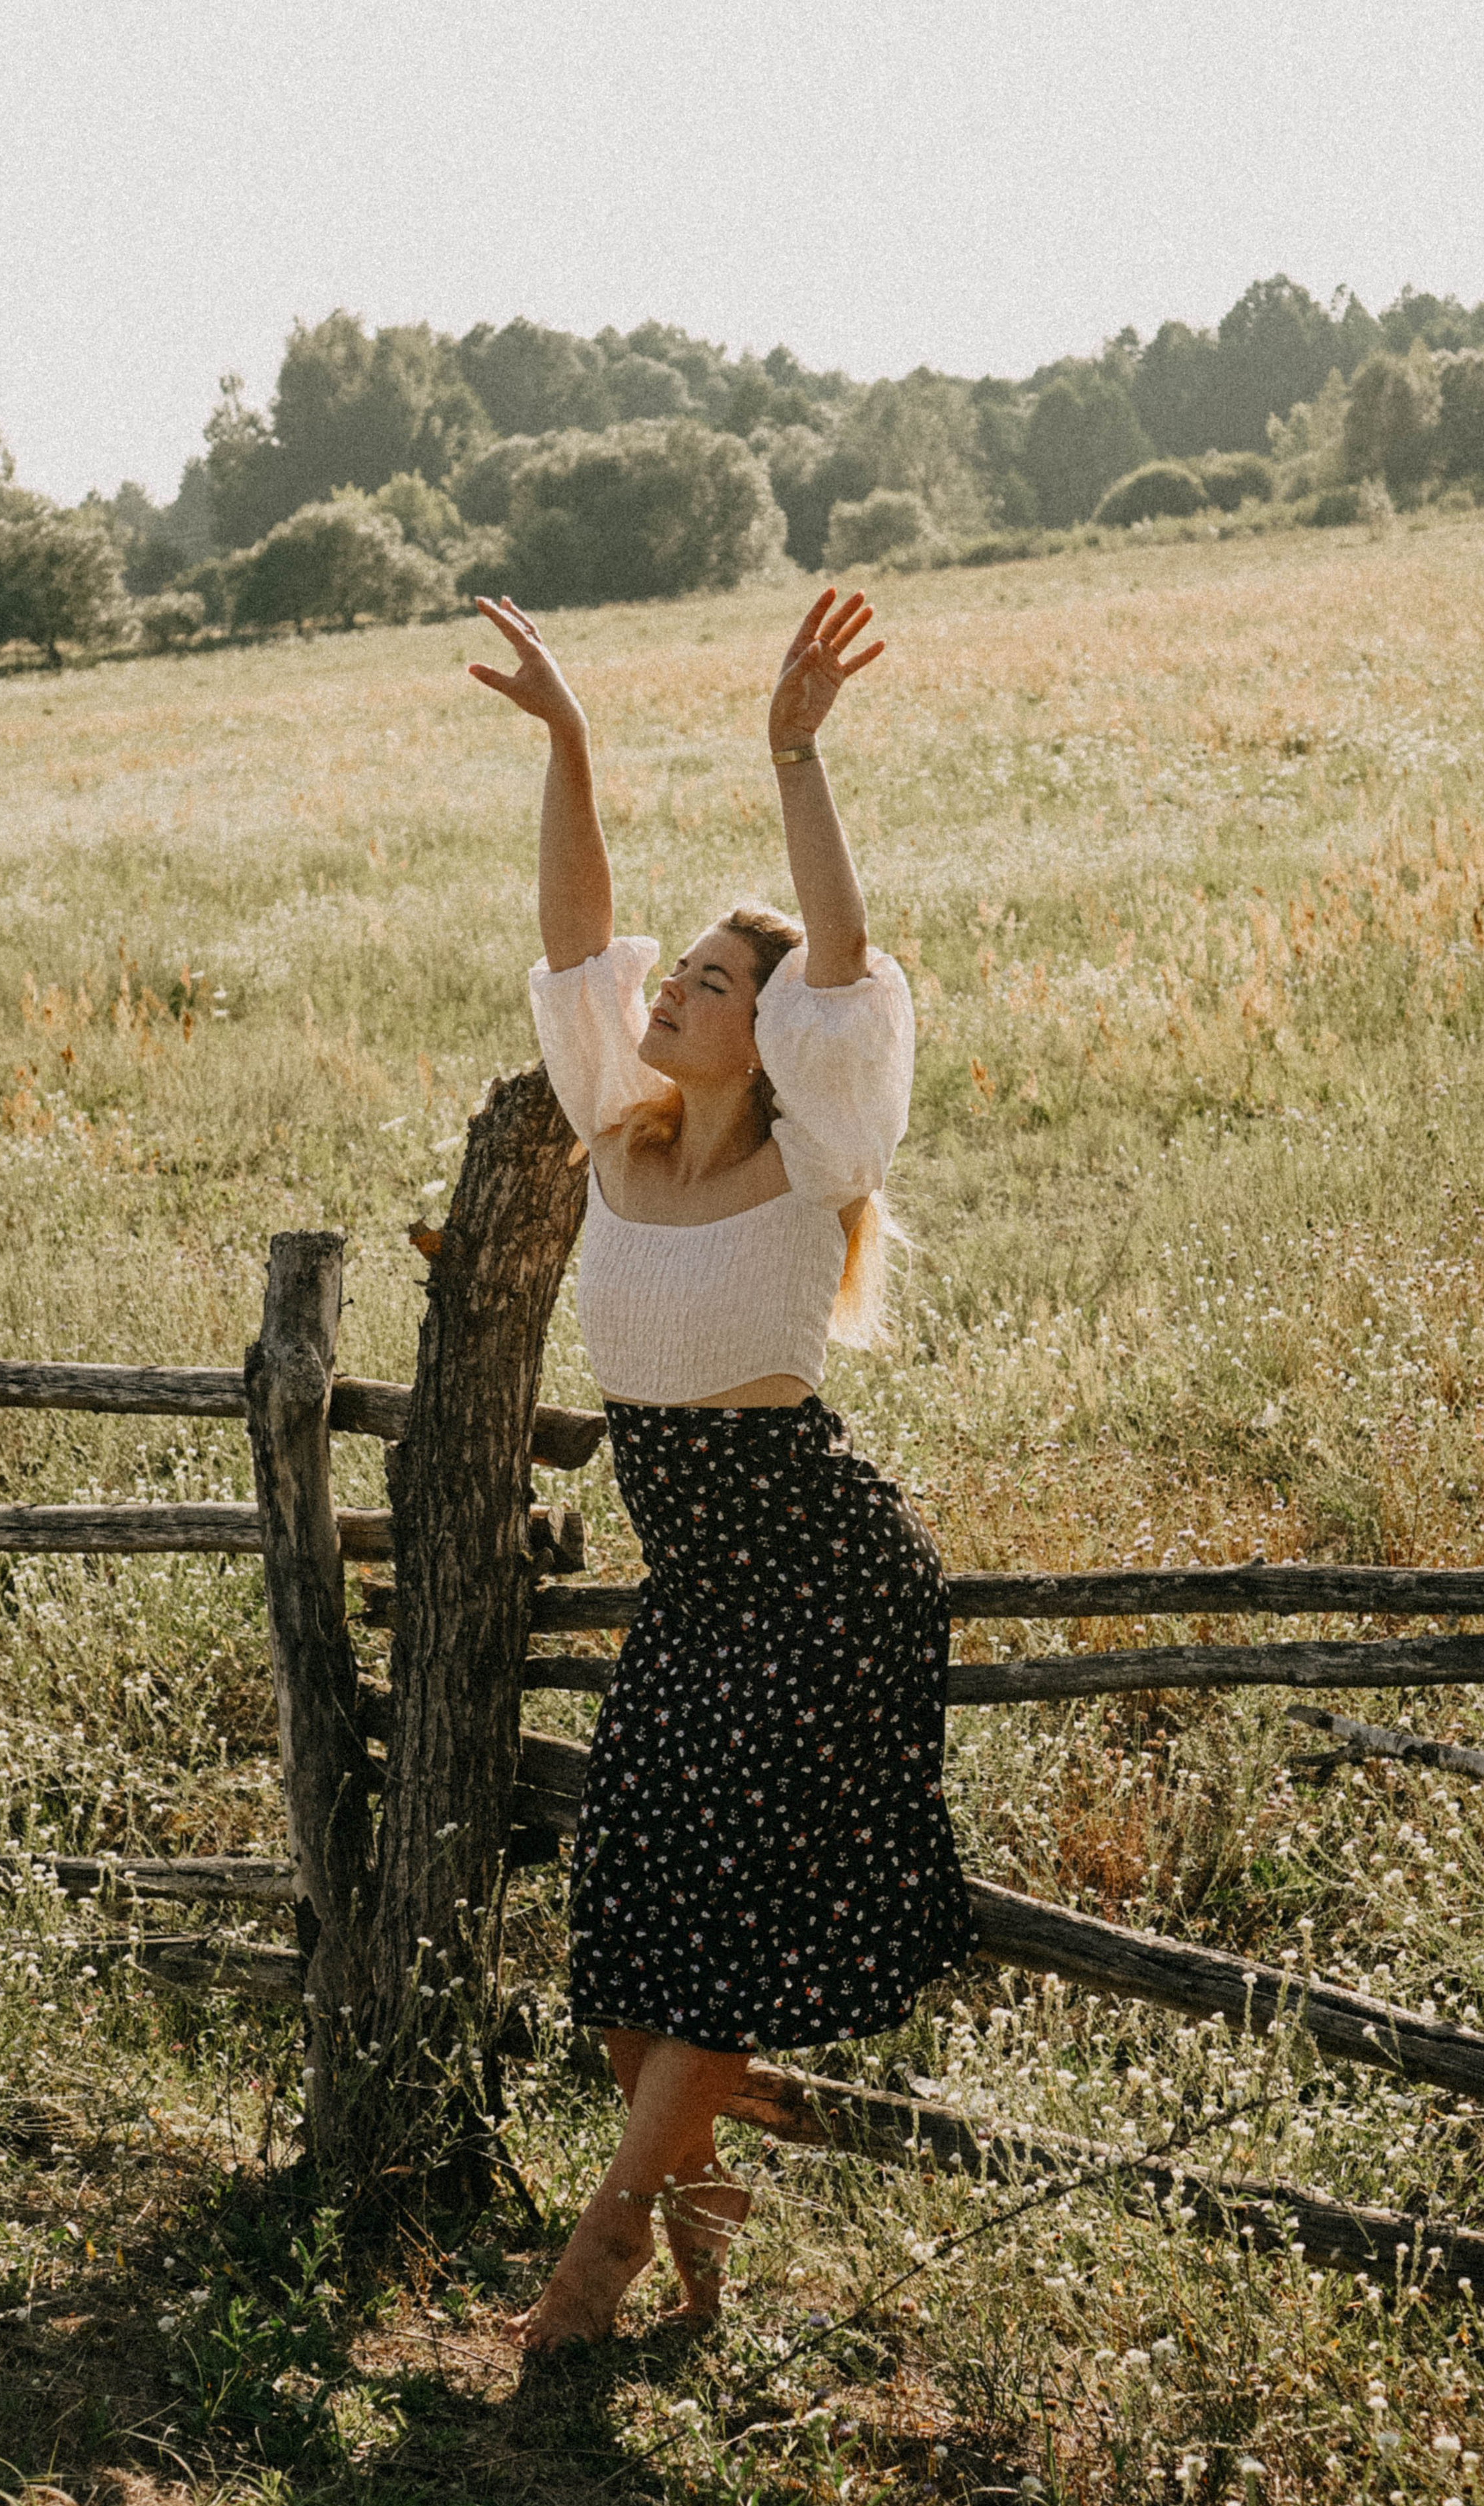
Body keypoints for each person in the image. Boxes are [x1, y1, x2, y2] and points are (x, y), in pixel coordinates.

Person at [469, 586, 976, 2348]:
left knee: (728, 1951)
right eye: (677, 974)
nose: (670, 989)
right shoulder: (621, 1129)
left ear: (773, 1040)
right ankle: (697, 2262)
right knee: (628, 1968)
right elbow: (573, 924)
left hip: (819, 1576)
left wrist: (793, 754)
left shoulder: (812, 1151)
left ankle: (589, 2284)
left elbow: (839, 956)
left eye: (709, 981)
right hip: (702, 1589)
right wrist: (572, 745)